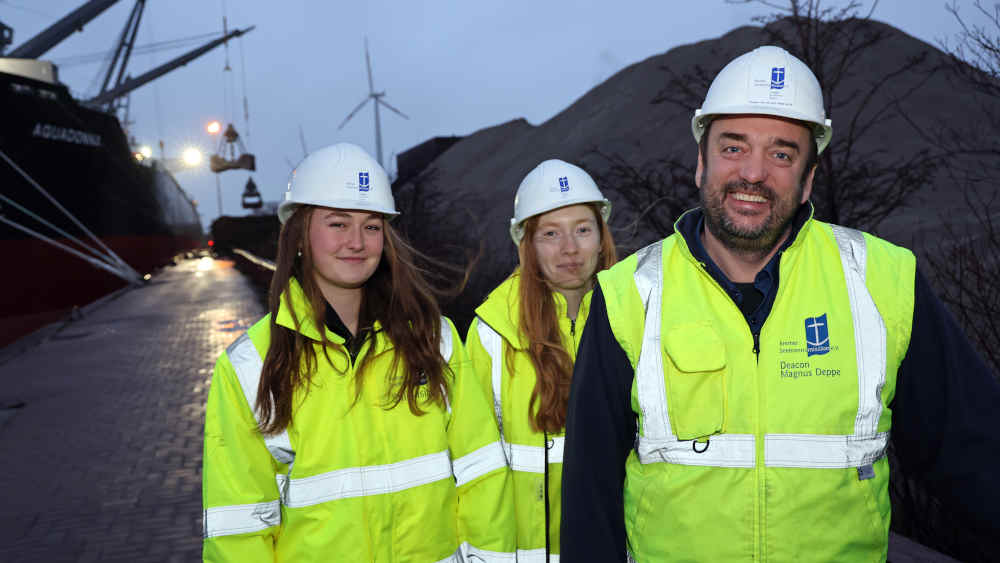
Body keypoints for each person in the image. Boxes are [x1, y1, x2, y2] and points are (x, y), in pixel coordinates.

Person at [560, 46, 1000, 562]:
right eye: (733, 147)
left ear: (808, 178)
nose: (753, 173)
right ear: (701, 162)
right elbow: (590, 499)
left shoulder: (883, 281)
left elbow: (976, 459)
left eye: (782, 154)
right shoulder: (629, 293)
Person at [202, 143, 515, 562]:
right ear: (299, 234)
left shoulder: (434, 340)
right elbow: (239, 527)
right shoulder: (250, 365)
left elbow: (482, 477)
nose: (356, 242)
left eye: (371, 226)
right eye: (338, 223)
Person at [466, 159, 617, 563]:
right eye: (550, 233)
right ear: (527, 244)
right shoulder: (493, 333)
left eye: (582, 230)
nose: (570, 249)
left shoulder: (636, 318)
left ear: (601, 236)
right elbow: (472, 467)